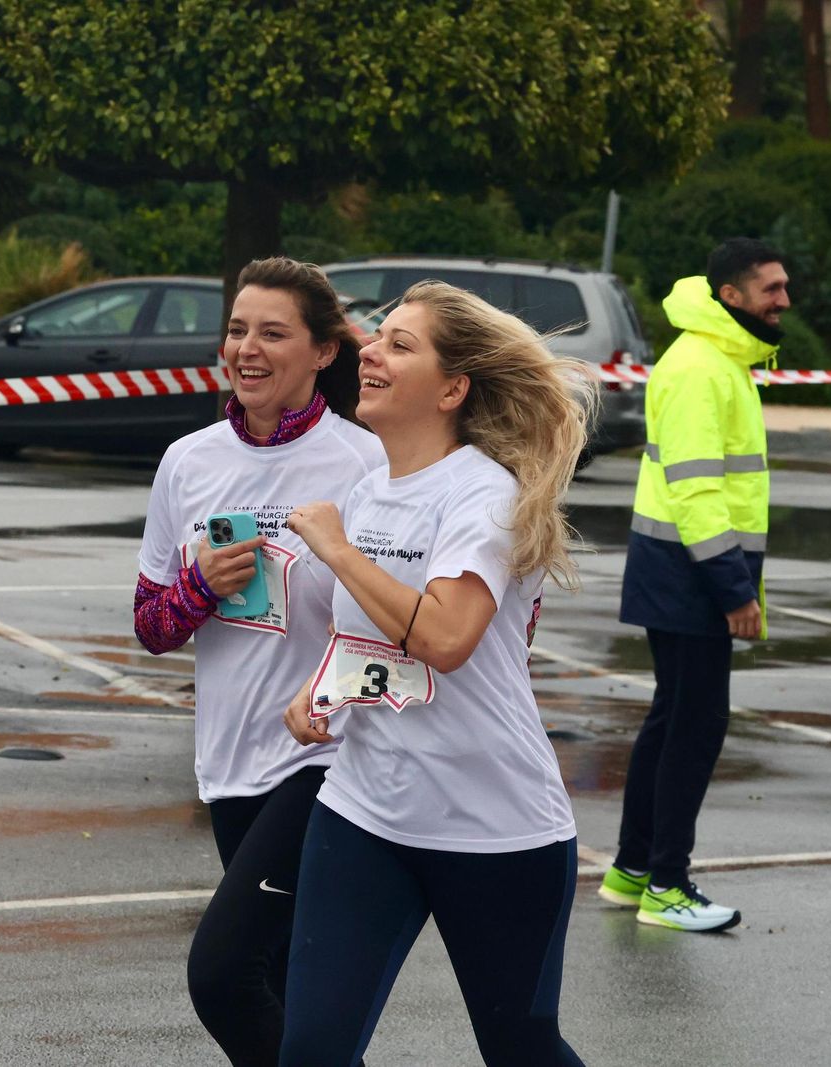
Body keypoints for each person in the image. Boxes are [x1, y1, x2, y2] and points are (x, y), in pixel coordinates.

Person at [280, 281, 593, 1067]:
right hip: (365, 814)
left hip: (493, 825)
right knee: (312, 1050)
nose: (370, 353)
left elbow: (448, 636)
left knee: (521, 1049)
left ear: (453, 388)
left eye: (398, 344)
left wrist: (340, 550)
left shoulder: (484, 494)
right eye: (376, 339)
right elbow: (369, 632)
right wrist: (323, 687)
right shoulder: (370, 487)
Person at [133, 257, 386, 1066]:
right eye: (238, 329)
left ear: (322, 353)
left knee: (223, 974)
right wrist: (200, 588)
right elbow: (150, 625)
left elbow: (403, 625)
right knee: (280, 987)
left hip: (327, 759)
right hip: (229, 762)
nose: (247, 347)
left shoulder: (365, 464)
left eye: (272, 332)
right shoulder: (189, 460)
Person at [598, 237, 789, 933]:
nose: (784, 300)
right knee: (694, 728)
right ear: (731, 296)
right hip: (691, 573)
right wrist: (735, 589)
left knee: (672, 718)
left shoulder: (718, 359)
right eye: (771, 288)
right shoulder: (701, 367)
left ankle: (633, 869)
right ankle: (668, 886)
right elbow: (698, 491)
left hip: (682, 570)